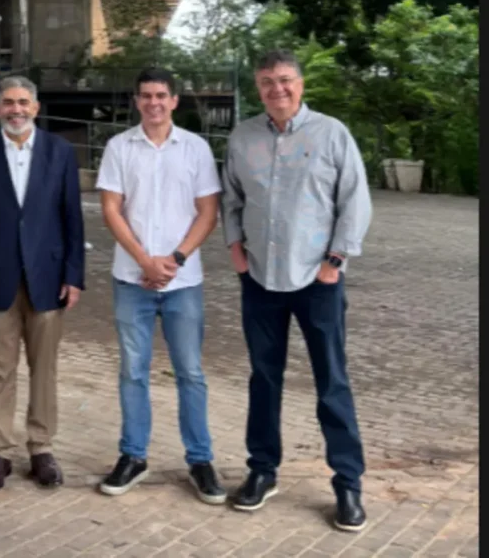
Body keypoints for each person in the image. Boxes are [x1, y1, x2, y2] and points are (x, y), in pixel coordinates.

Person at [222, 50, 372, 532]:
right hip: (260, 279)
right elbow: (231, 199)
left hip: (317, 281)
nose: (277, 89)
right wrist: (236, 253)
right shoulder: (243, 137)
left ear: (301, 84)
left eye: (285, 79)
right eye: (267, 81)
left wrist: (335, 262)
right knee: (264, 378)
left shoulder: (331, 134)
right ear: (258, 87)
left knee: (332, 381)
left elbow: (354, 201)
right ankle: (262, 470)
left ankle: (347, 483)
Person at [94, 69, 226, 503]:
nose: (153, 102)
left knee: (190, 372)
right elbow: (111, 209)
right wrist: (144, 260)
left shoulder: (195, 148)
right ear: (137, 101)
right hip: (131, 280)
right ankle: (133, 455)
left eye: (161, 95)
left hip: (183, 282)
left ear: (174, 101)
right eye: (146, 95)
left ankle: (200, 460)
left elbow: (207, 212)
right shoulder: (119, 147)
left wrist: (175, 259)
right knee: (133, 371)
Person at [0, 75, 85, 491]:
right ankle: (0, 453)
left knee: (44, 369)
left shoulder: (59, 151)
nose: (16, 110)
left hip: (48, 277)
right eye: (9, 102)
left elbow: (72, 217)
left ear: (36, 107)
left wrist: (74, 275)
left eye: (23, 102)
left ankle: (41, 448)